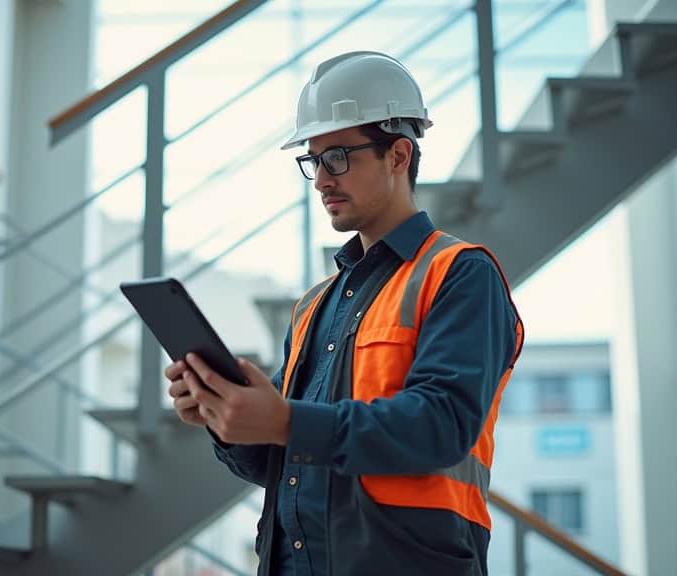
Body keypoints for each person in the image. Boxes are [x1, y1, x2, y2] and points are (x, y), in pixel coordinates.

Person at [164, 51, 524, 576]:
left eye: (338, 157)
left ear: (398, 155)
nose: (320, 181)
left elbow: (441, 426)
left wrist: (286, 420)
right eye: (313, 160)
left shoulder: (460, 274)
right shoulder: (314, 305)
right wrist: (225, 417)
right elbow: (282, 460)